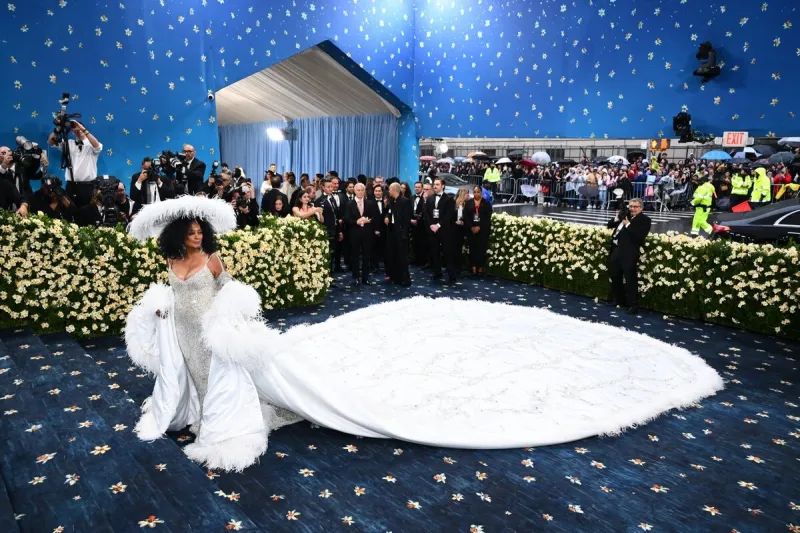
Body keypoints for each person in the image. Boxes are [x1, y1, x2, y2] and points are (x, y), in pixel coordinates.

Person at [125, 196, 722, 474]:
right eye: (194, 233)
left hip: (213, 329)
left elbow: (232, 289)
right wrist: (159, 312)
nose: (201, 239)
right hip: (182, 328)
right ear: (181, 236)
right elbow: (173, 296)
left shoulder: (214, 262)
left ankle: (220, 426)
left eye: (205, 232)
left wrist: (229, 317)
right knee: (197, 375)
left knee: (224, 373)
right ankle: (196, 417)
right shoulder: (174, 267)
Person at [606, 198, 651, 314]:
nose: (632, 209)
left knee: (630, 279)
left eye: (635, 207)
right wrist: (617, 217)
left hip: (630, 253)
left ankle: (633, 305)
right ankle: (619, 300)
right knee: (615, 276)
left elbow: (639, 236)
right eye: (631, 206)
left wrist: (628, 225)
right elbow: (609, 225)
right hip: (617, 250)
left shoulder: (645, 220)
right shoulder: (625, 215)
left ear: (641, 208)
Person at [47, 120, 102, 209]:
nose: (77, 132)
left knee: (86, 212)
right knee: (70, 212)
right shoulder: (69, 143)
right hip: (71, 185)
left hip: (87, 186)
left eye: (79, 130)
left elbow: (97, 146)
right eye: (74, 130)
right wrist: (59, 128)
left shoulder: (91, 143)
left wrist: (81, 128)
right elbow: (50, 142)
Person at [424, 177, 457, 283]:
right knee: (434, 252)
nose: (435, 186)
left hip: (445, 230)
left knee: (447, 253)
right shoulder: (430, 199)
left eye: (437, 184)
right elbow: (427, 213)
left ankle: (451, 274)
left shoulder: (449, 199)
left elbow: (449, 215)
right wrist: (431, 225)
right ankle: (437, 272)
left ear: (443, 186)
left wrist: (438, 225)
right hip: (433, 230)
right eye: (434, 184)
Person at [345, 183, 376, 285]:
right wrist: (356, 222)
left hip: (367, 233)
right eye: (358, 190)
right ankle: (356, 277)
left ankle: (365, 278)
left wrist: (368, 220)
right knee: (355, 256)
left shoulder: (370, 203)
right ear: (354, 191)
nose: (360, 192)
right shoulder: (349, 204)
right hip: (354, 233)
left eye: (362, 190)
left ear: (364, 191)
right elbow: (347, 219)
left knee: (367, 256)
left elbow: (374, 217)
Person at [384, 182, 411, 285]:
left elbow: (407, 219)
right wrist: (387, 217)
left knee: (402, 257)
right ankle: (395, 276)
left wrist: (404, 234)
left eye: (390, 189)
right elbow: (390, 212)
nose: (388, 191)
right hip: (391, 232)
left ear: (394, 190)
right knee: (393, 255)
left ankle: (405, 279)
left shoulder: (405, 201)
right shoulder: (392, 201)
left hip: (401, 233)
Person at [315, 179, 344, 273]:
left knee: (333, 253)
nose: (331, 189)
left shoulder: (333, 199)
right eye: (328, 187)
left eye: (331, 187)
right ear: (323, 188)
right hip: (326, 231)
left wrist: (339, 231)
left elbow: (336, 216)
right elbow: (319, 219)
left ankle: (330, 274)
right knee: (326, 254)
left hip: (334, 230)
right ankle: (326, 274)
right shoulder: (319, 201)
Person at [463, 186, 493, 276]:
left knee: (481, 249)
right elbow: (466, 216)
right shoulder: (468, 203)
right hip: (471, 230)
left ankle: (480, 267)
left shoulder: (486, 204)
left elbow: (487, 218)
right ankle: (473, 267)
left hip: (483, 230)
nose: (476, 194)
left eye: (478, 192)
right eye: (475, 192)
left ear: (481, 193)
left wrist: (479, 227)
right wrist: (472, 227)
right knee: (472, 249)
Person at [452, 188, 469, 272]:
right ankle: (455, 266)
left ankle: (457, 266)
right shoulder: (455, 204)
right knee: (456, 248)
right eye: (467, 194)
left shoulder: (466, 204)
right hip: (455, 229)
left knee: (458, 248)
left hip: (462, 228)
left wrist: (463, 222)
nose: (468, 196)